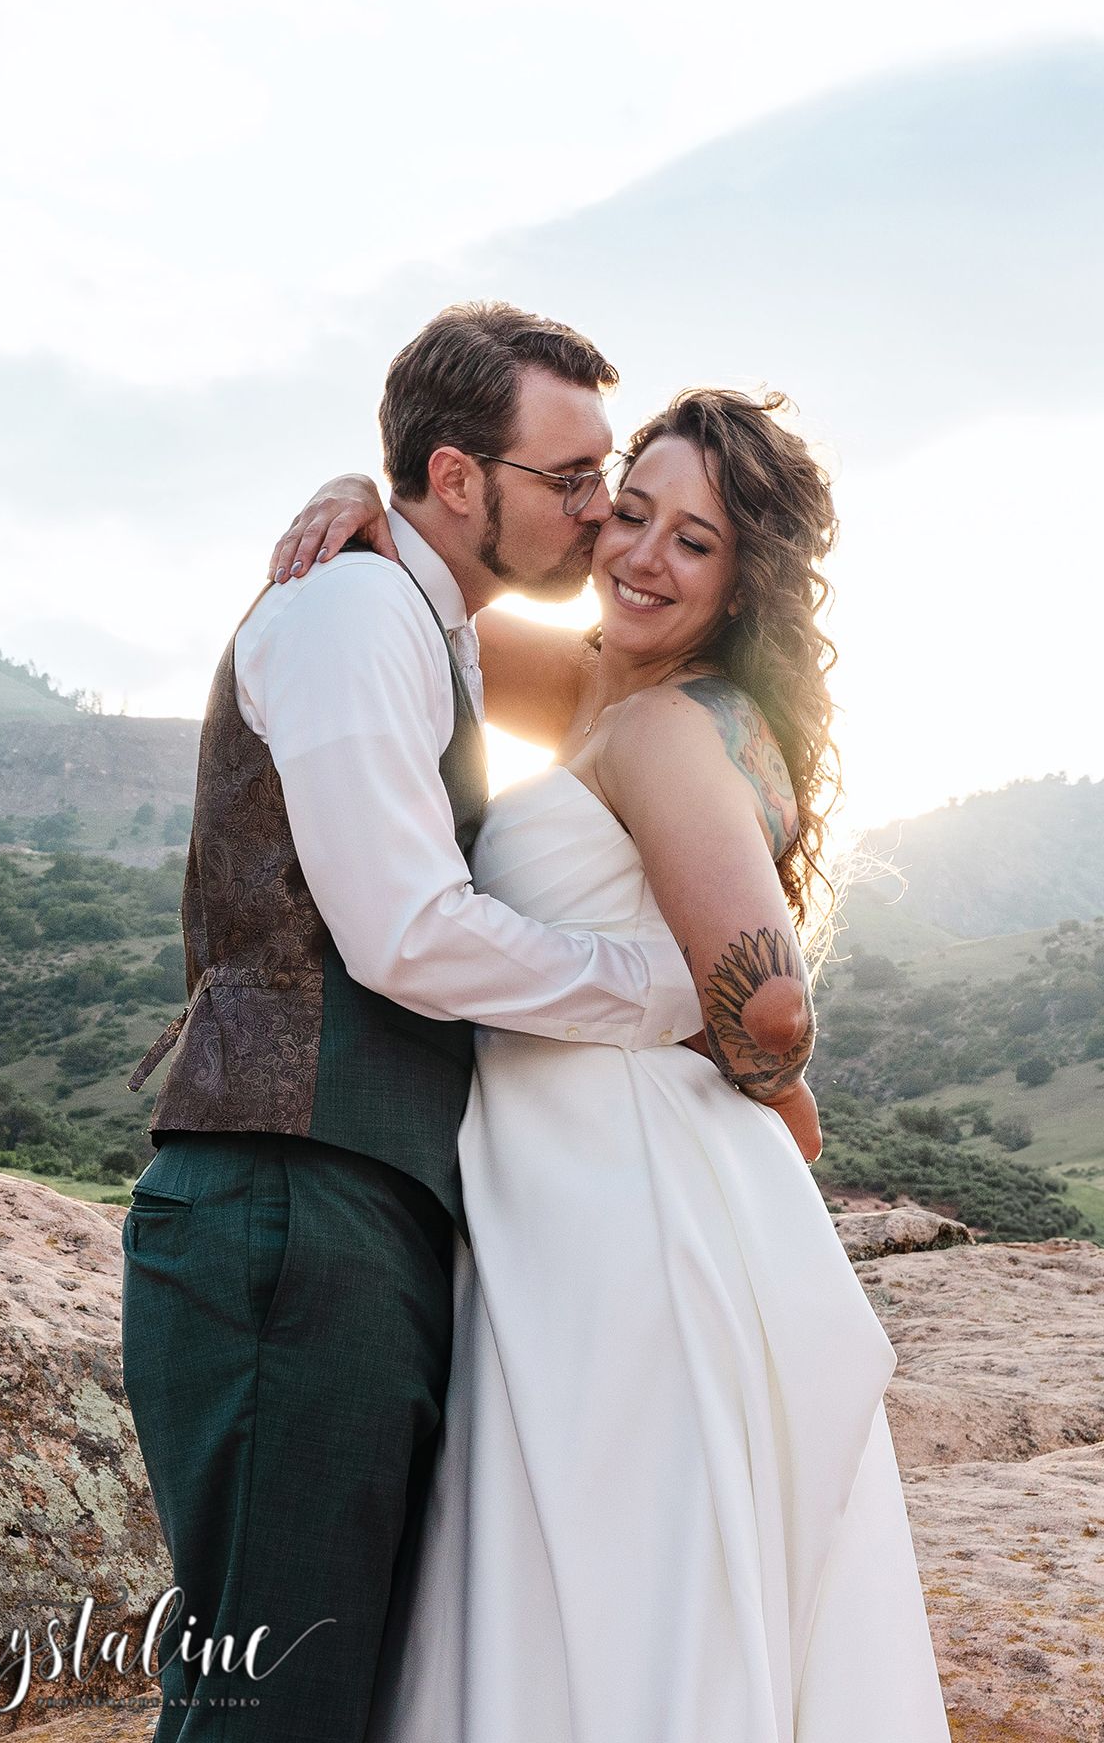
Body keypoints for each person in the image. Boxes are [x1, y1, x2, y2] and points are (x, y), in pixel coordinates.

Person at [269, 388, 951, 1740]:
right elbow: (429, 601)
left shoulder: (661, 726)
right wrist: (370, 496)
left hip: (625, 1203)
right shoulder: (599, 683)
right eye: (630, 513)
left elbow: (767, 1009)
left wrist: (773, 1090)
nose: (643, 556)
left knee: (613, 1576)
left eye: (693, 542)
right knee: (583, 1574)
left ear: (744, 574)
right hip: (567, 1190)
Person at [120, 302, 718, 1743]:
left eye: (607, 477)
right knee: (271, 1709)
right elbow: (402, 933)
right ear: (459, 481)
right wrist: (661, 992)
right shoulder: (352, 611)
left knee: (326, 1701)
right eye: (570, 482)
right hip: (285, 1210)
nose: (598, 511)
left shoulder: (430, 619)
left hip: (356, 1211)